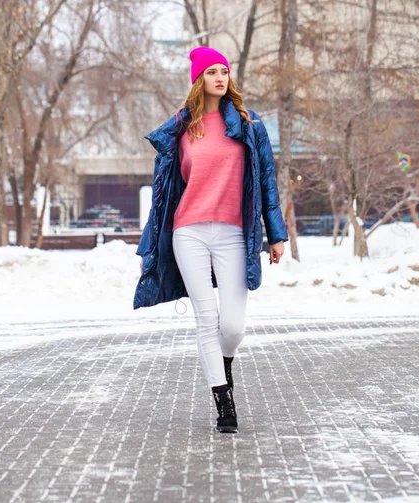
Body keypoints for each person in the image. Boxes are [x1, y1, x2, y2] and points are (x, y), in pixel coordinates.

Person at [133, 47, 288, 434]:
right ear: (198, 80)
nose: (220, 77)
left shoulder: (250, 126)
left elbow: (267, 183)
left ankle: (224, 365)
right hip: (189, 232)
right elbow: (162, 195)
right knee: (206, 319)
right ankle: (223, 402)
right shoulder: (181, 130)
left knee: (233, 327)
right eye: (211, 72)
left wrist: (276, 235)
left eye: (224, 71)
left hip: (234, 233)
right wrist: (149, 248)